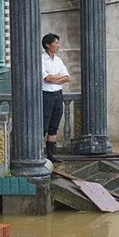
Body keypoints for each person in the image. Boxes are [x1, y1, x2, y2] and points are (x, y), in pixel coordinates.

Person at [41, 33, 70, 163]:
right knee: (44, 124)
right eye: (56, 43)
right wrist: (57, 78)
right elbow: (47, 78)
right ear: (48, 45)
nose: (58, 45)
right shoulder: (41, 59)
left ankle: (51, 154)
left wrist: (55, 78)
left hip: (58, 95)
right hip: (46, 95)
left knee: (54, 124)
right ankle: (38, 151)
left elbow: (67, 77)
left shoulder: (58, 60)